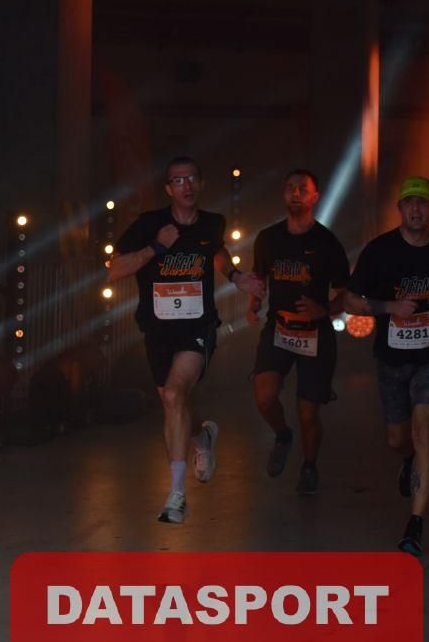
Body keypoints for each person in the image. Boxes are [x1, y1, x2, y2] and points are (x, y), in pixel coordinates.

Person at [109, 156, 265, 523]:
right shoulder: (149, 224)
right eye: (178, 180)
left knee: (175, 394)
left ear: (201, 183)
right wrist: (156, 248)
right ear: (169, 189)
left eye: (192, 178)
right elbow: (115, 269)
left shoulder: (212, 223)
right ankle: (201, 438)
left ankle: (177, 496)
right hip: (157, 330)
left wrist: (236, 276)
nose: (187, 186)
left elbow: (216, 249)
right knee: (172, 401)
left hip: (197, 327)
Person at [345, 175, 429, 556]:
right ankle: (409, 460)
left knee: (424, 429)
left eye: (423, 203)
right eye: (409, 202)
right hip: (392, 358)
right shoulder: (380, 251)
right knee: (398, 439)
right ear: (400, 209)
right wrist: (388, 307)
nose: (416, 209)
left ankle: (414, 525)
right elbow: (349, 301)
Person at [246, 170, 349, 494]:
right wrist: (253, 303)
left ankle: (309, 466)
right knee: (264, 396)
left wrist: (325, 309)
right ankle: (282, 435)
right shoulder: (268, 239)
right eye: (289, 188)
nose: (295, 193)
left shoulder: (327, 243)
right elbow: (259, 277)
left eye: (302, 189)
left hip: (315, 334)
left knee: (308, 414)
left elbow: (346, 294)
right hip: (279, 327)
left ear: (315, 196)